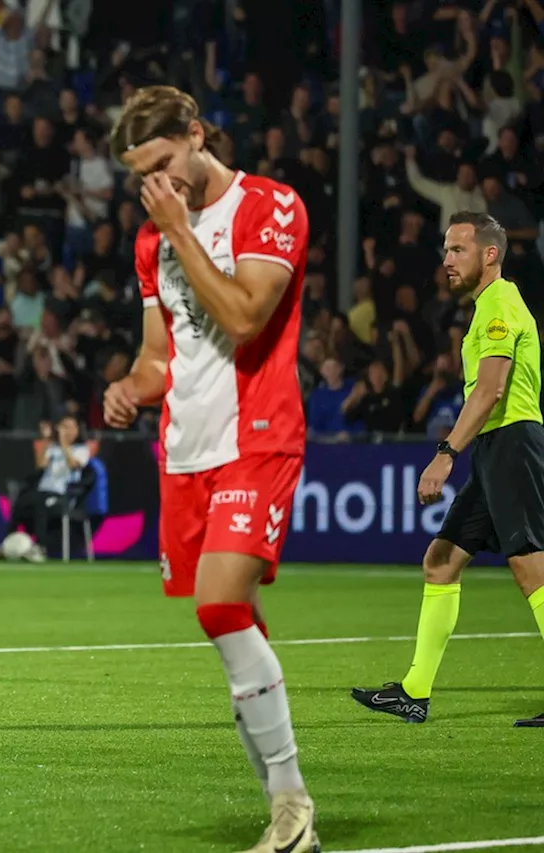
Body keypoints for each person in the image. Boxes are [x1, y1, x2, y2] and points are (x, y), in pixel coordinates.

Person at [103, 86, 315, 853]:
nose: (156, 186)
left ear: (197, 136)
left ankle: (292, 804)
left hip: (257, 435)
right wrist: (129, 386)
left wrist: (179, 231)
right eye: (140, 177)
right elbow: (162, 355)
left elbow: (244, 317)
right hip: (185, 448)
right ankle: (285, 811)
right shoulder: (148, 240)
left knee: (221, 608)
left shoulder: (272, 207)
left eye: (163, 164)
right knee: (235, 625)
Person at [352, 212, 544, 728]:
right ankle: (414, 692)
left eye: (457, 250)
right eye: (445, 250)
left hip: (511, 440)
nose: (446, 261)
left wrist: (446, 453)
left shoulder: (500, 304)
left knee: (529, 566)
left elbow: (490, 390)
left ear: (490, 254)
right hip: (494, 446)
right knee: (440, 560)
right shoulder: (488, 307)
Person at [0, 415, 91, 562]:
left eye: (70, 427)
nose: (66, 431)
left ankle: (40, 547)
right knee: (20, 502)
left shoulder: (82, 450)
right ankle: (6, 542)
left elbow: (73, 465)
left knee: (41, 503)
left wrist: (65, 445)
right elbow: (40, 465)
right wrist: (46, 440)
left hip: (63, 495)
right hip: (43, 492)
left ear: (77, 430)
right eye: (63, 427)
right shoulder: (52, 447)